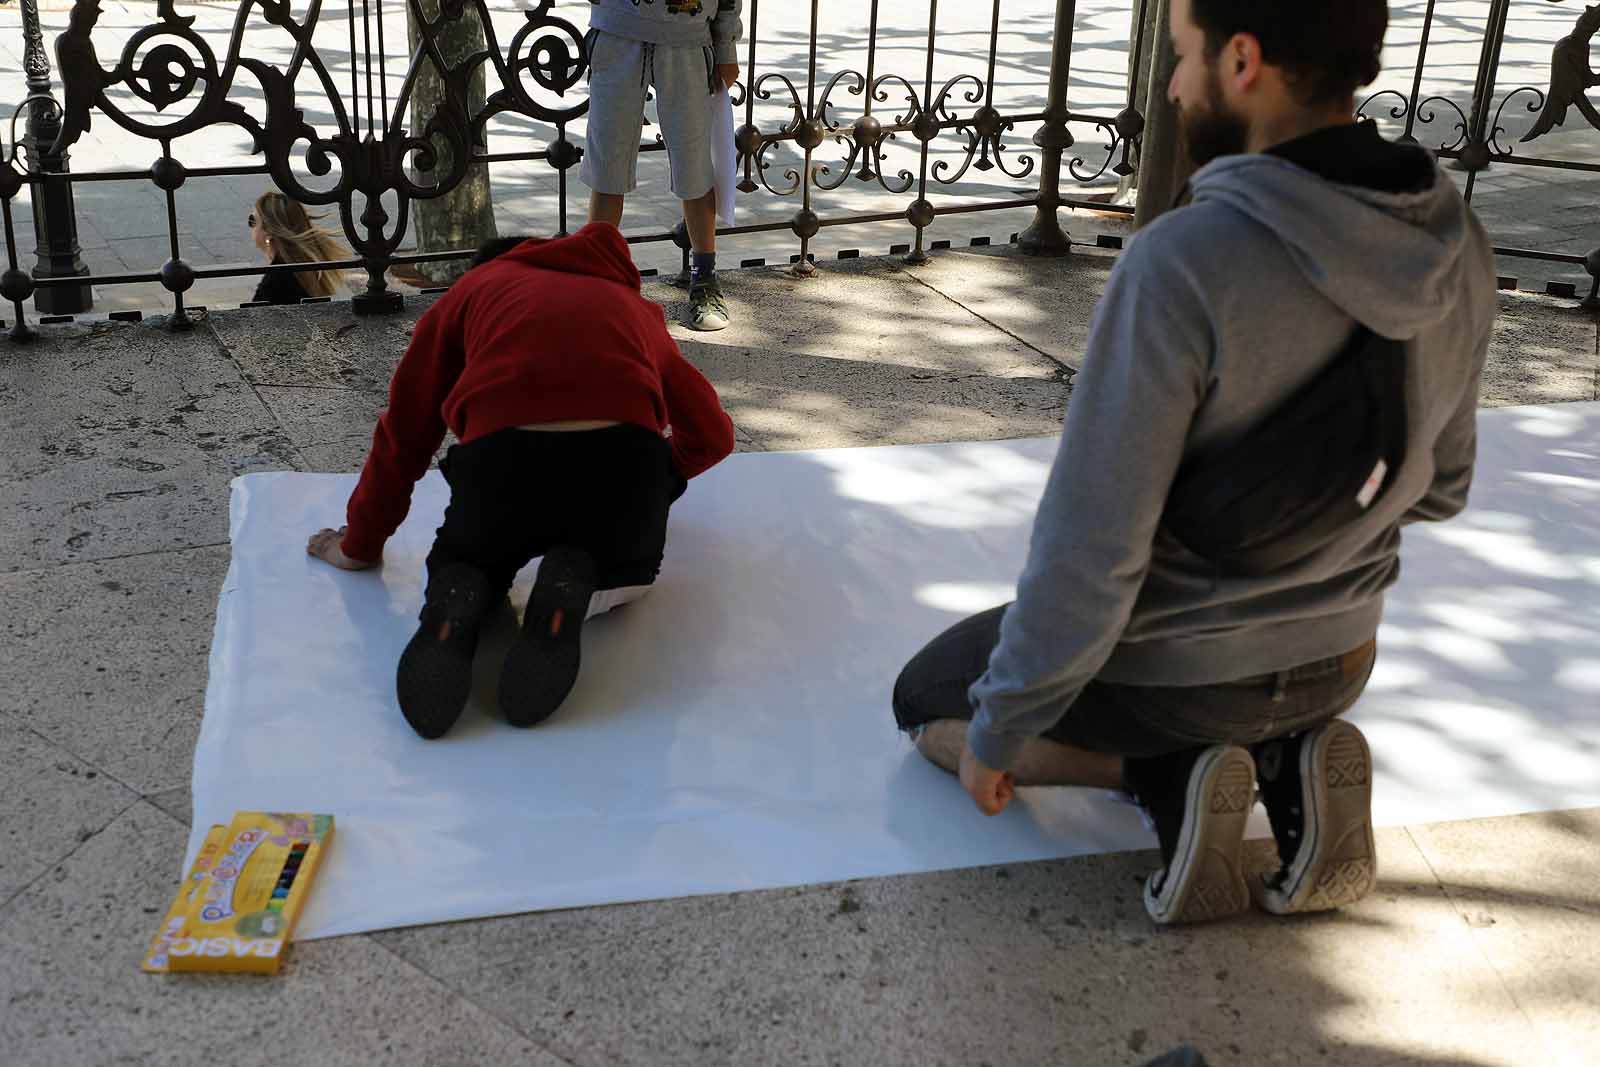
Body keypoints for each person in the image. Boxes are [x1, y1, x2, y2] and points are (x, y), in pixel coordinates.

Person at [892, 0, 1494, 925]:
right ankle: (1291, 757)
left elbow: (1092, 554)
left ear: (1242, 60)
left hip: (1169, 683)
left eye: (1181, 56)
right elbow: (1443, 488)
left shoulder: (1182, 261)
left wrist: (999, 733)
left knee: (928, 696)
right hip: (1343, 657)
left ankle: (1169, 777)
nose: (1172, 86)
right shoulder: (1456, 237)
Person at [305, 222, 736, 740]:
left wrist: (360, 544)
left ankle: (463, 589)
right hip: (623, 464)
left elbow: (405, 432)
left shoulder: (471, 293)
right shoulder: (631, 306)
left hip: (502, 468)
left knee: (469, 564)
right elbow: (712, 436)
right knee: (624, 573)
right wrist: (658, 484)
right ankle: (581, 584)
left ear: (489, 265)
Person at [583, 0, 743, 332]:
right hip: (616, 35)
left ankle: (704, 277)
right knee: (607, 168)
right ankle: (598, 282)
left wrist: (726, 47)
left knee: (695, 165)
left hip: (689, 39)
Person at [248, 192, 351, 305]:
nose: (251, 226)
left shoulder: (275, 281)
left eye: (253, 220)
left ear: (269, 231)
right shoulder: (305, 269)